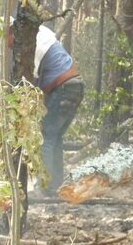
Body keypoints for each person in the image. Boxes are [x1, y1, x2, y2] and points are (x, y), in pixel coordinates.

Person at [8, 21, 84, 195]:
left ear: (11, 31)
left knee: (45, 138)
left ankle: (45, 186)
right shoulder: (42, 32)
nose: (9, 47)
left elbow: (32, 84)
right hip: (75, 86)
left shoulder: (31, 45)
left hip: (63, 88)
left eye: (8, 41)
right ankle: (56, 186)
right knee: (55, 137)